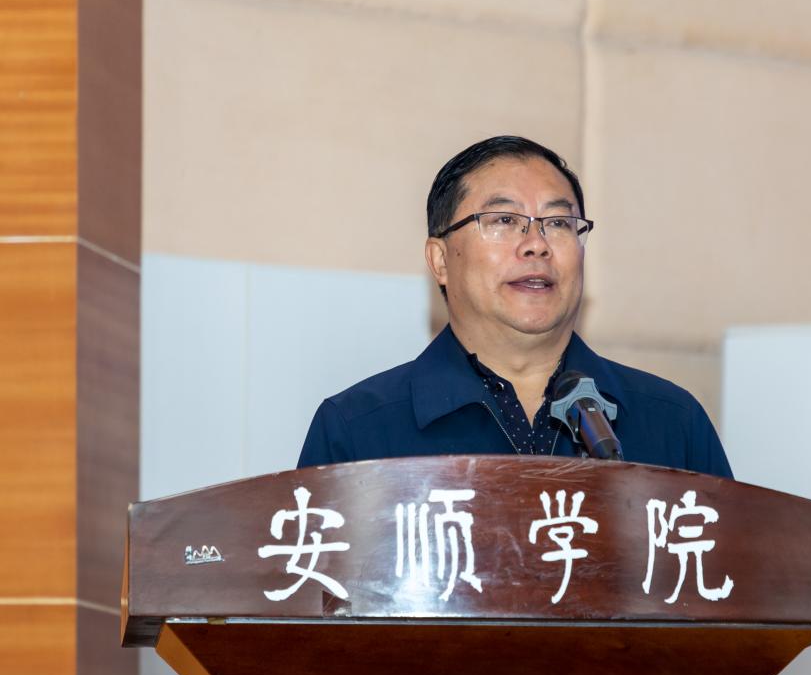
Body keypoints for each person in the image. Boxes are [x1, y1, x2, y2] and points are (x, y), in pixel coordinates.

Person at [297, 135, 732, 477]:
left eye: (558, 223)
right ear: (441, 260)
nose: (536, 245)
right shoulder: (359, 430)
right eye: (504, 220)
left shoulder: (671, 422)